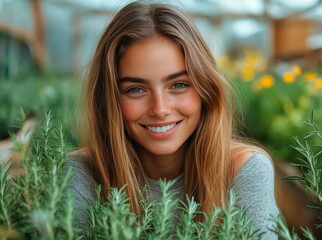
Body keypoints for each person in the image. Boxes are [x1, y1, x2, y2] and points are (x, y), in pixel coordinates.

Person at [67, 1, 279, 239]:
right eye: (135, 89)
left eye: (178, 85)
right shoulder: (81, 172)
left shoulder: (244, 172)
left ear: (205, 90)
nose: (160, 109)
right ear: (108, 99)